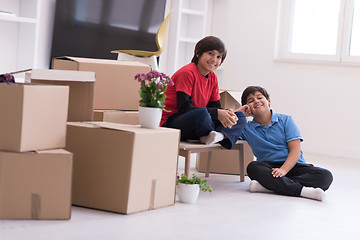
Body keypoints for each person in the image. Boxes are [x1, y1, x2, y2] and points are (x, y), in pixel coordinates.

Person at [236, 86, 333, 201]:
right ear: (247, 108)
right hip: (269, 168)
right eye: (251, 101)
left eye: (259, 97)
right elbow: (225, 126)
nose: (256, 101)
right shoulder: (246, 128)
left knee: (326, 176)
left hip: (294, 166)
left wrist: (284, 170)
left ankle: (269, 187)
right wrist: (239, 113)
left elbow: (295, 151)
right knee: (253, 167)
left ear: (269, 101)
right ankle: (302, 191)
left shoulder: (286, 120)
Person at [161, 36, 246, 149]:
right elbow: (184, 109)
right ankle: (213, 134)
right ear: (198, 53)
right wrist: (218, 113)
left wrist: (227, 113)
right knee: (202, 115)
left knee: (240, 117)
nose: (214, 60)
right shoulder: (187, 73)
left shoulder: (213, 78)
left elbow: (215, 107)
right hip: (173, 121)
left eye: (219, 57)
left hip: (198, 121)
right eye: (210, 53)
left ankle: (217, 136)